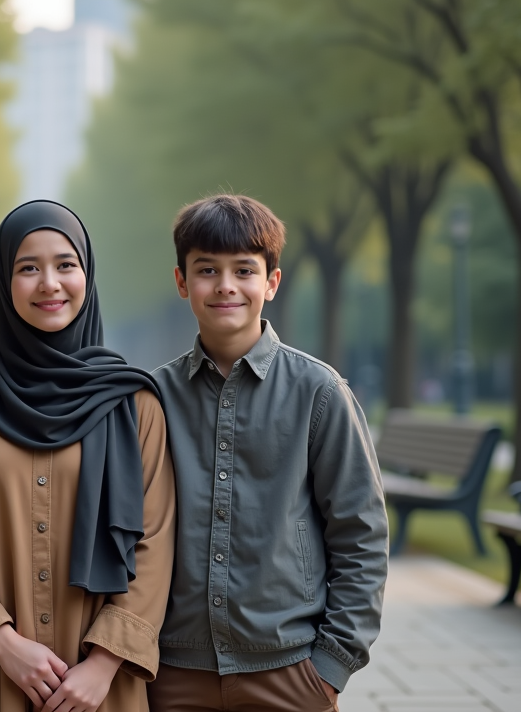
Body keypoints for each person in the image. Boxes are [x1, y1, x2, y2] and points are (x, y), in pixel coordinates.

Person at [0, 200, 176, 712]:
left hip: (99, 688)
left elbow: (156, 541)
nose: (49, 283)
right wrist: (2, 643)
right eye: (27, 268)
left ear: (87, 275)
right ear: (3, 283)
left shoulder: (132, 403)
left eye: (65, 265)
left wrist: (103, 665)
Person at [148, 194, 388, 712]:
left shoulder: (319, 392)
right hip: (173, 672)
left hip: (290, 672)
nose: (226, 285)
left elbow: (361, 535)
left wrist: (332, 666)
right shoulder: (153, 397)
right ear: (181, 282)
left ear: (271, 283)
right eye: (207, 269)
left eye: (244, 270)